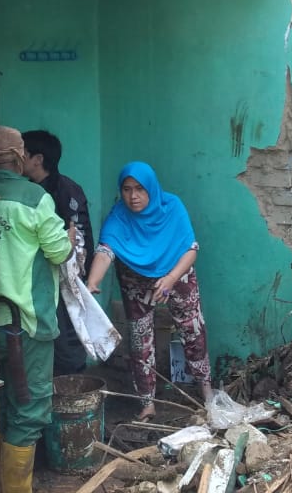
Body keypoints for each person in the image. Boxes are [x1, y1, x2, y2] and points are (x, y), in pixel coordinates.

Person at [85, 161, 213, 422]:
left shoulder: (172, 207)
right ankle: (147, 403)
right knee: (139, 339)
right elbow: (106, 249)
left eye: (140, 189)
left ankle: (207, 392)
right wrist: (92, 282)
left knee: (193, 330)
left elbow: (191, 248)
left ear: (151, 189)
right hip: (136, 279)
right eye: (127, 189)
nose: (133, 197)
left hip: (177, 274)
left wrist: (170, 279)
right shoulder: (119, 216)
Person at [0, 126, 72, 493]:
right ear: (20, 157)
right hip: (27, 324)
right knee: (30, 407)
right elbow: (58, 252)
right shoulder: (34, 197)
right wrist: (68, 240)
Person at [21, 129, 96, 376]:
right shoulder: (27, 190)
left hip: (64, 278)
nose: (17, 158)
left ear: (37, 159)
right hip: (37, 279)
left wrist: (79, 277)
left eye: (23, 152)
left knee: (67, 343)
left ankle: (73, 397)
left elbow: (80, 240)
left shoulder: (66, 191)